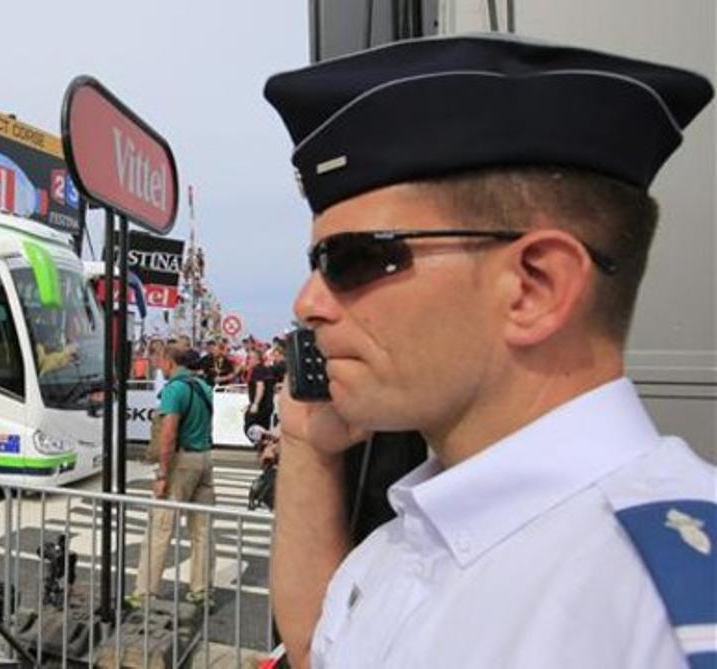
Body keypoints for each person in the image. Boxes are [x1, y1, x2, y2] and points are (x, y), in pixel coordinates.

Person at [262, 35, 714, 668]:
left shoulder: (674, 610)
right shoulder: (403, 548)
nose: (307, 302)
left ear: (536, 287)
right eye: (317, 261)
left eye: (353, 258)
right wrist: (309, 441)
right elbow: (320, 651)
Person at [127, 346, 216, 610]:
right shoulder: (204, 386)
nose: (157, 364)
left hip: (182, 463)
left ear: (169, 361)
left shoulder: (174, 390)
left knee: (160, 528)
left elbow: (168, 435)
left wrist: (162, 473)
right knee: (202, 529)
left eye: (158, 359)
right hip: (205, 459)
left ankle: (145, 592)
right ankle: (201, 589)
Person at [244, 348, 278, 433]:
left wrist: (255, 404)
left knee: (250, 427)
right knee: (263, 429)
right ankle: (263, 445)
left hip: (261, 406)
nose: (248, 360)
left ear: (256, 359)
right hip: (268, 406)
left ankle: (262, 444)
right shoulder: (267, 369)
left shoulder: (257, 370)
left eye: (249, 358)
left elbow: (260, 386)